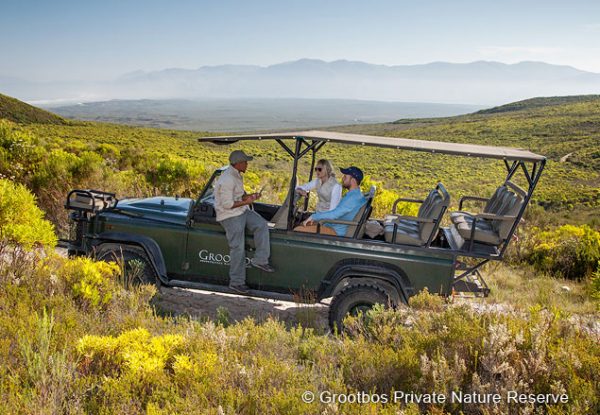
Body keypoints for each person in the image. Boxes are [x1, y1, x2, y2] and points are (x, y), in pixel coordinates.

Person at [214, 150, 275, 294]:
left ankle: (260, 260)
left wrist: (250, 197)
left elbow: (239, 196)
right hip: (229, 215)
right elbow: (227, 205)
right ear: (238, 163)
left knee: (261, 225)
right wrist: (246, 202)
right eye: (245, 162)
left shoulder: (236, 175)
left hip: (241, 211)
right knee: (238, 247)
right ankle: (236, 282)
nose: (247, 164)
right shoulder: (227, 179)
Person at [294, 166, 366, 236]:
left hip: (335, 230)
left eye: (345, 177)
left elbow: (334, 214)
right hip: (332, 224)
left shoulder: (353, 198)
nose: (343, 178)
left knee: (297, 230)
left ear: (353, 180)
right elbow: (337, 212)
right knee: (304, 223)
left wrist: (314, 216)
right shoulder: (354, 195)